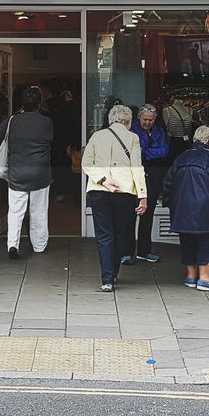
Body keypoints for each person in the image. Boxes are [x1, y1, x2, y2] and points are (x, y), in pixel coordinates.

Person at [82, 103, 147, 293]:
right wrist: (143, 196)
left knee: (104, 236)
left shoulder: (96, 136)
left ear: (111, 119)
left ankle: (107, 279)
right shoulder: (133, 137)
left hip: (98, 191)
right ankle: (114, 273)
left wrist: (103, 181)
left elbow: (87, 163)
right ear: (128, 121)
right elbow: (137, 168)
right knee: (120, 234)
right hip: (124, 192)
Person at [0, 87, 55, 259]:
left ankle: (12, 245)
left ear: (22, 103)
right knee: (38, 211)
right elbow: (50, 140)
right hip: (40, 173)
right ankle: (39, 246)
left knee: (16, 211)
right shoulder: (46, 122)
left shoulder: (13, 121)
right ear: (40, 104)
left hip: (17, 174)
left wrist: (16, 116)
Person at [163, 125, 209, 291]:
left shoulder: (181, 157)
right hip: (205, 207)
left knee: (186, 241)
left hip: (181, 208)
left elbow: (167, 183)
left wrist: (169, 203)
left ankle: (191, 276)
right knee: (205, 242)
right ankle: (204, 279)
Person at [125, 104, 170, 265]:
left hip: (153, 176)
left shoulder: (159, 131)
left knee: (148, 214)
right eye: (145, 119)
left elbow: (165, 151)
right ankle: (127, 252)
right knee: (130, 214)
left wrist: (148, 152)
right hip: (136, 174)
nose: (148, 123)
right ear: (139, 117)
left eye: (151, 120)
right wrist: (152, 152)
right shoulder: (132, 130)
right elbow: (138, 152)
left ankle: (144, 251)